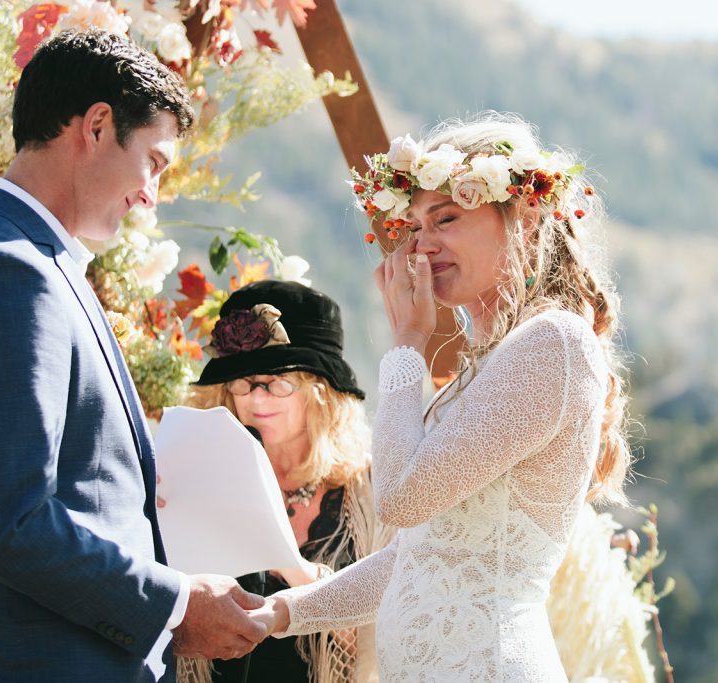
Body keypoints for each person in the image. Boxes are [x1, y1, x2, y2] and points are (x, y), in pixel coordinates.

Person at [0, 29, 266, 682]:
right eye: (154, 163)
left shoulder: (31, 262)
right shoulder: (7, 272)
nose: (151, 194)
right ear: (98, 126)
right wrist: (175, 604)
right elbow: (11, 523)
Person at [253, 112, 634, 681]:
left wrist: (408, 342)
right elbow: (417, 559)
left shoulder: (552, 342)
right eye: (414, 227)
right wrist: (276, 615)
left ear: (524, 217)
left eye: (446, 219)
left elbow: (399, 499)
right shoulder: (482, 372)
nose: (422, 246)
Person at [176, 280, 394, 683]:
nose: (256, 400)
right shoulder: (198, 477)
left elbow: (377, 645)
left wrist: (286, 561)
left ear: (321, 392)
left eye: (278, 383)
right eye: (242, 382)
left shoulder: (374, 493)